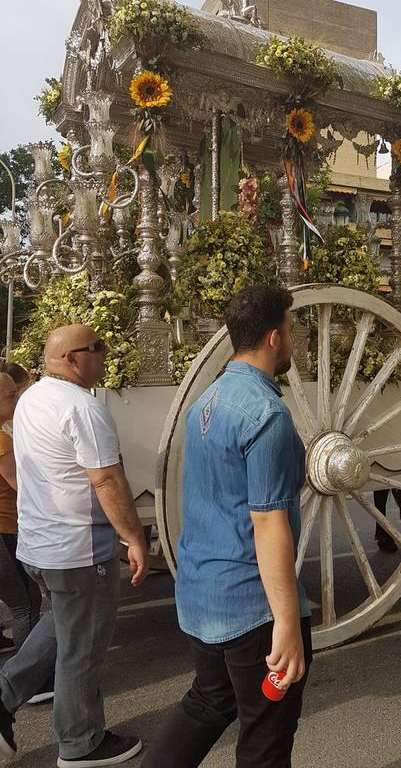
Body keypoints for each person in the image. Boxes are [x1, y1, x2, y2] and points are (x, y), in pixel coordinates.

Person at [142, 286, 311, 768]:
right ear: (275, 337)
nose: (293, 341)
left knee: (209, 702)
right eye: (292, 330)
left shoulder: (206, 402)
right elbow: (268, 521)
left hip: (201, 590)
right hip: (250, 605)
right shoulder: (267, 414)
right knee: (266, 739)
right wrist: (286, 622)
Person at [0, 325, 149, 767]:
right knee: (81, 648)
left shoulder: (32, 398)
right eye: (97, 348)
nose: (105, 354)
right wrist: (135, 536)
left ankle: (3, 697)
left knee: (62, 628)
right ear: (71, 358)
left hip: (40, 547)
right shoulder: (82, 407)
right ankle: (80, 743)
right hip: (78, 550)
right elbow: (105, 478)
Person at [0, 365, 45, 683]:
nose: (18, 400)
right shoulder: (1, 439)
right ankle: (32, 680)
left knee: (25, 601)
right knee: (26, 603)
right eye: (11, 395)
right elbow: (19, 483)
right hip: (5, 530)